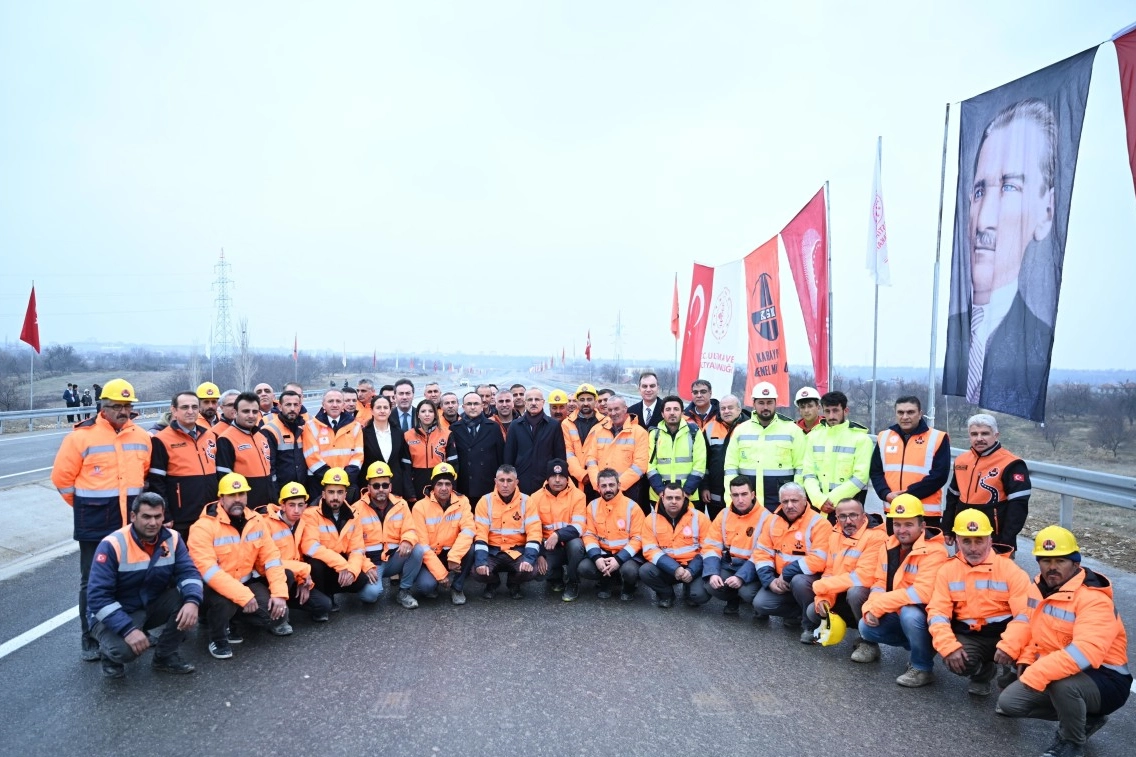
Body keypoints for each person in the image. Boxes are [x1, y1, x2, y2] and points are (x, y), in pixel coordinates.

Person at [944, 99, 1059, 421]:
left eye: (1009, 187)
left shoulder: (1036, 340)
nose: (984, 221)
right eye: (979, 192)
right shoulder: (953, 330)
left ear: (1046, 211)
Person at [996, 526, 1132, 756]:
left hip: (1105, 678)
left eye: (1060, 561)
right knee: (1009, 703)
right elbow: (1031, 627)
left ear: (1076, 563)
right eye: (1046, 560)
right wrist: (1025, 658)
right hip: (1061, 668)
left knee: (1063, 685)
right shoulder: (1038, 588)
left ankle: (1072, 742)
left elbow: (1085, 653)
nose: (1052, 567)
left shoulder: (1094, 599)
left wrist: (1036, 673)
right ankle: (1085, 718)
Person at [52, 378, 152, 662]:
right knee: (92, 582)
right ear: (102, 407)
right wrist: (86, 506)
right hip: (94, 522)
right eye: (116, 406)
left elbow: (143, 475)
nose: (123, 411)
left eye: (127, 406)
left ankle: (130, 629)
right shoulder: (80, 437)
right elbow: (62, 480)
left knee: (132, 577)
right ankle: (90, 636)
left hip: (131, 523)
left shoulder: (142, 437)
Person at [86, 492, 202, 679]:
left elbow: (188, 572)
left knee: (190, 596)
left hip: (147, 604)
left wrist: (192, 601)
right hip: (113, 613)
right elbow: (98, 597)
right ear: (133, 516)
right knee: (125, 651)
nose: (153, 523)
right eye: (146, 517)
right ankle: (108, 654)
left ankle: (165, 656)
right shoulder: (112, 545)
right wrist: (127, 630)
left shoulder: (172, 538)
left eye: (158, 516)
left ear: (163, 516)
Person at [927, 509, 1032, 697]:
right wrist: (948, 647)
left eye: (979, 540)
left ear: (990, 540)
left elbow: (1026, 615)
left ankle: (1011, 677)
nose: (973, 548)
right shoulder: (947, 571)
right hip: (971, 636)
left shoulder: (1011, 570)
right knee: (956, 662)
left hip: (1005, 634)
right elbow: (937, 613)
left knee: (1024, 659)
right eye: (966, 541)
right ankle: (983, 672)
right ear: (957, 541)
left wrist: (1010, 646)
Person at [188, 473, 291, 660]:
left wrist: (279, 594)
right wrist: (243, 596)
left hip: (244, 583)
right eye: (231, 495)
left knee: (276, 615)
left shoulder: (256, 521)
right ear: (221, 498)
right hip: (211, 589)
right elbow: (209, 571)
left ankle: (232, 620)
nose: (237, 499)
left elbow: (271, 558)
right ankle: (217, 638)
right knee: (224, 602)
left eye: (241, 494)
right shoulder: (203, 527)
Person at [857, 494, 949, 687]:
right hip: (896, 610)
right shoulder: (888, 545)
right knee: (865, 626)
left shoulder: (935, 551)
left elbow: (922, 593)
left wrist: (879, 605)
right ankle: (918, 644)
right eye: (897, 524)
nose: (902, 530)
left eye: (908, 524)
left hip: (924, 615)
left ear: (922, 526)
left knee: (910, 615)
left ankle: (922, 667)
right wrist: (870, 607)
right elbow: (880, 583)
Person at [747, 483, 829, 640]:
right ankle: (798, 613)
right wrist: (769, 581)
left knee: (799, 581)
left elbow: (819, 560)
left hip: (808, 580)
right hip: (780, 580)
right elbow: (762, 552)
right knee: (761, 604)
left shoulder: (819, 524)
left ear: (804, 500)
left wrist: (786, 574)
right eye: (785, 501)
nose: (789, 505)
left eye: (794, 500)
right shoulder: (772, 520)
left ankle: (810, 625)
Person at [808, 498, 886, 657]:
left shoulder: (877, 537)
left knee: (855, 592)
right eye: (842, 516)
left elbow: (864, 577)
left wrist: (822, 587)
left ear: (863, 516)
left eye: (853, 515)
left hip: (869, 598)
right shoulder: (835, 534)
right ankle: (838, 628)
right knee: (812, 611)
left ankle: (869, 643)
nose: (848, 521)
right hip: (841, 592)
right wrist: (824, 599)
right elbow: (829, 571)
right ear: (836, 518)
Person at [943, 413, 1032, 552]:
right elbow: (952, 497)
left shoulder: (1012, 463)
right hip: (963, 533)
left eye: (985, 433)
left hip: (995, 538)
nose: (979, 438)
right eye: (974, 434)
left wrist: (1006, 541)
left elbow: (1018, 507)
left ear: (996, 435)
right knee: (960, 566)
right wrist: (947, 528)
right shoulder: (961, 460)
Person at [299, 468, 382, 607]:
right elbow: (310, 547)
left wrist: (352, 571)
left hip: (342, 562)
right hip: (324, 564)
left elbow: (357, 549)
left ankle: (332, 590)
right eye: (331, 492)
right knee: (315, 565)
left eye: (339, 492)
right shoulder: (311, 514)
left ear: (345, 494)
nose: (335, 497)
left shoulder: (354, 514)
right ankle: (324, 598)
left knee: (360, 580)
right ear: (323, 494)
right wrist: (342, 565)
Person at [869, 395, 951, 531]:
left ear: (920, 414)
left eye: (910, 412)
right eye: (900, 412)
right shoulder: (884, 437)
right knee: (893, 545)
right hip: (894, 510)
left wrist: (907, 495)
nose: (905, 417)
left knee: (926, 546)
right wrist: (885, 494)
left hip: (925, 514)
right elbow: (875, 471)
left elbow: (939, 475)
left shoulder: (937, 437)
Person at [723, 382, 807, 512]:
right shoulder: (740, 431)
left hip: (782, 503)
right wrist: (732, 501)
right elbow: (730, 468)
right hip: (748, 503)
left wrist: (795, 500)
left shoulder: (792, 430)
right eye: (761, 403)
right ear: (754, 404)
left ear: (775, 403)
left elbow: (801, 469)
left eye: (769, 402)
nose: (765, 407)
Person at [353, 461, 426, 609]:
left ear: (390, 487)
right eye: (376, 485)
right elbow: (353, 545)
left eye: (385, 485)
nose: (381, 489)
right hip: (371, 563)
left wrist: (407, 540)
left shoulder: (401, 504)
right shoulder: (356, 509)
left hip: (394, 559)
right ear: (368, 488)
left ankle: (404, 591)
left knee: (417, 549)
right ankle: (360, 583)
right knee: (370, 595)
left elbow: (411, 529)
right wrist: (365, 566)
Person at [148, 391, 218, 539]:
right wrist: (165, 514)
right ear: (174, 410)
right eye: (185, 407)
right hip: (182, 517)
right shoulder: (161, 439)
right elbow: (156, 482)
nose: (190, 411)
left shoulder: (210, 436)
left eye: (194, 407)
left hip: (211, 514)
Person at [263, 482, 333, 622]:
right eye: (292, 505)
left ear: (305, 506)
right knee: (287, 574)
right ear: (282, 506)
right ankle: (279, 615)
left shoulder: (302, 522)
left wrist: (302, 580)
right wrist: (303, 570)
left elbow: (300, 556)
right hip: (269, 579)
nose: (296, 510)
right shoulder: (266, 524)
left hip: (295, 577)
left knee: (324, 605)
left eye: (300, 505)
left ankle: (287, 605)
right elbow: (266, 561)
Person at [471, 465, 542, 600]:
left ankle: (513, 582)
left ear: (516, 482)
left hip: (517, 551)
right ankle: (493, 583)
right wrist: (481, 561)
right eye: (501, 480)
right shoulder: (485, 501)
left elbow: (534, 533)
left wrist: (529, 559)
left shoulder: (527, 501)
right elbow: (480, 534)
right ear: (495, 481)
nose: (505, 485)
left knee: (532, 570)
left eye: (509, 481)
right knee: (476, 571)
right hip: (492, 551)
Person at [800, 391, 873, 519]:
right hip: (817, 507)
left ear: (846, 411)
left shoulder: (861, 439)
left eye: (835, 410)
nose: (831, 416)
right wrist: (819, 500)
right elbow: (808, 473)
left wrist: (832, 500)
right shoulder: (813, 437)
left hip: (848, 508)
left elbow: (861, 477)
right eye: (827, 411)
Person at [639, 483, 713, 609]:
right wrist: (675, 568)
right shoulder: (650, 520)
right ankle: (666, 594)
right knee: (645, 571)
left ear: (684, 499)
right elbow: (650, 550)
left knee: (699, 596)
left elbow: (708, 548)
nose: (673, 501)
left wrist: (691, 571)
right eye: (669, 498)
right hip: (667, 567)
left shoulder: (700, 518)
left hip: (693, 566)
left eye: (677, 498)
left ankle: (689, 590)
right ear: (662, 498)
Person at [411, 463, 475, 605]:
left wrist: (454, 557)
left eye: (448, 484)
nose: (444, 488)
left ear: (452, 486)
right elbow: (423, 545)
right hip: (431, 555)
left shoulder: (463, 502)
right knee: (426, 587)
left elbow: (468, 530)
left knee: (471, 548)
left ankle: (457, 588)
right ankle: (435, 582)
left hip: (453, 552)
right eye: (439, 484)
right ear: (433, 486)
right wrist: (441, 574)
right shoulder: (420, 507)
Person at [530, 459, 587, 601]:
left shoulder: (579, 496)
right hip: (548, 547)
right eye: (553, 476)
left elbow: (579, 526)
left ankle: (573, 582)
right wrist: (539, 554)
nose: (557, 480)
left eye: (561, 476)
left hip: (569, 546)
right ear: (547, 478)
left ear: (567, 478)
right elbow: (533, 530)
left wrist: (558, 535)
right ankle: (556, 577)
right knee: (538, 572)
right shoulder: (535, 498)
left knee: (576, 545)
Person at [584, 395, 650, 514]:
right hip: (601, 491)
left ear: (625, 409)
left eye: (616, 409)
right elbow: (591, 459)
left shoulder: (639, 433)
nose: (613, 413)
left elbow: (640, 465)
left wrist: (616, 486)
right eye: (610, 410)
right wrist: (598, 484)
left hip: (628, 492)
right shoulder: (599, 430)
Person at [214, 391, 274, 511]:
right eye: (246, 411)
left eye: (255, 411)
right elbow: (224, 480)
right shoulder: (226, 439)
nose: (251, 415)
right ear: (235, 412)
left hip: (268, 505)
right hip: (245, 507)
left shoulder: (261, 436)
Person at [646, 395, 707, 509]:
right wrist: (661, 492)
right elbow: (650, 467)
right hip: (660, 496)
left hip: (688, 496)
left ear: (682, 412)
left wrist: (686, 492)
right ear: (662, 414)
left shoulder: (694, 432)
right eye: (668, 409)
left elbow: (699, 465)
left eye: (676, 409)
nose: (672, 413)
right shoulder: (654, 434)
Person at [505, 388, 568, 495]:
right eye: (530, 400)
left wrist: (557, 480)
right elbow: (509, 457)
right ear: (525, 403)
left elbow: (559, 456)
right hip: (521, 482)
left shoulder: (553, 425)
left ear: (543, 402)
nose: (533, 403)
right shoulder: (515, 426)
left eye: (537, 399)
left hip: (546, 482)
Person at [302, 389, 363, 496]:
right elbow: (311, 456)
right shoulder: (311, 425)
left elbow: (358, 456)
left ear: (343, 405)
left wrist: (344, 478)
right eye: (330, 401)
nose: (335, 405)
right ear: (323, 405)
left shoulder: (355, 426)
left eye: (338, 401)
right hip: (319, 483)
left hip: (347, 482)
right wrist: (331, 479)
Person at [446, 392, 504, 503]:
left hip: (488, 485)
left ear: (482, 406)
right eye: (469, 404)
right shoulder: (454, 428)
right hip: (464, 486)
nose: (473, 407)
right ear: (463, 407)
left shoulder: (493, 427)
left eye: (476, 404)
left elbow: (500, 457)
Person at [699, 394, 749, 520]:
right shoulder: (709, 428)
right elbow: (703, 461)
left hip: (742, 493)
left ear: (739, 409)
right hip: (715, 493)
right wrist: (704, 486)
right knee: (717, 526)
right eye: (723, 408)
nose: (726, 411)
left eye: (730, 408)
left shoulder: (750, 427)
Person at [402, 399, 456, 503]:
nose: (427, 414)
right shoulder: (408, 436)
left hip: (440, 481)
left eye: (430, 411)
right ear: (418, 415)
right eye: (423, 411)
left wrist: (452, 488)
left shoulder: (447, 434)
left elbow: (454, 465)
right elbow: (405, 468)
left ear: (435, 414)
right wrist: (410, 493)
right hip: (417, 482)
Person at [361, 395, 410, 500]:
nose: (382, 411)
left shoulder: (399, 433)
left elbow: (402, 462)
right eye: (378, 407)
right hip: (372, 489)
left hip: (396, 487)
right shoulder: (363, 434)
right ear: (372, 411)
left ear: (390, 410)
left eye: (385, 407)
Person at [263, 389, 308, 493]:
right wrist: (274, 493)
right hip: (281, 490)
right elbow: (269, 466)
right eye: (288, 405)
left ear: (300, 407)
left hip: (302, 489)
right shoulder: (270, 430)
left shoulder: (305, 427)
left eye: (295, 405)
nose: (292, 408)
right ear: (280, 406)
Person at [562, 383, 604, 492]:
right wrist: (581, 474)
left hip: (600, 478)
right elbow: (568, 452)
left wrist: (594, 476)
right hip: (575, 478)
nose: (585, 403)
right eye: (582, 400)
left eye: (589, 399)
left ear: (595, 401)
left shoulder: (606, 422)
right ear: (577, 402)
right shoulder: (567, 423)